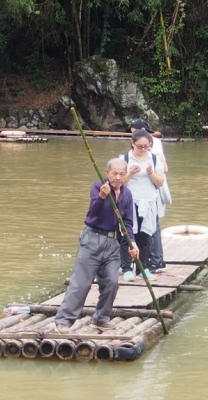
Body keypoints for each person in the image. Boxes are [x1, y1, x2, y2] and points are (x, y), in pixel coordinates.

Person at [53, 158, 138, 333]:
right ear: (107, 173)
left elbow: (127, 223)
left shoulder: (127, 194)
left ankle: (101, 318)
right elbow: (93, 214)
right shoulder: (98, 186)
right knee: (81, 282)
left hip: (112, 242)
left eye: (122, 174)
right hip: (92, 238)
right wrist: (102, 196)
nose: (118, 177)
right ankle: (64, 321)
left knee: (112, 282)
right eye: (114, 173)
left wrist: (132, 243)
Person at [120, 129, 165, 281]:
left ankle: (142, 268)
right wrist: (130, 173)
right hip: (130, 201)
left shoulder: (153, 158)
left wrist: (151, 173)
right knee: (127, 235)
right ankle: (126, 268)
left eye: (147, 146)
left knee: (144, 236)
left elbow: (160, 182)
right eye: (140, 146)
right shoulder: (125, 158)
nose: (143, 149)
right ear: (132, 144)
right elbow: (120, 184)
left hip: (148, 201)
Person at [130, 119, 169, 272]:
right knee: (140, 226)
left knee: (152, 224)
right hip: (138, 193)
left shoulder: (154, 144)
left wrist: (150, 170)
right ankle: (145, 260)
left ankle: (157, 259)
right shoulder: (131, 152)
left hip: (152, 190)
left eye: (133, 131)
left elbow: (164, 168)